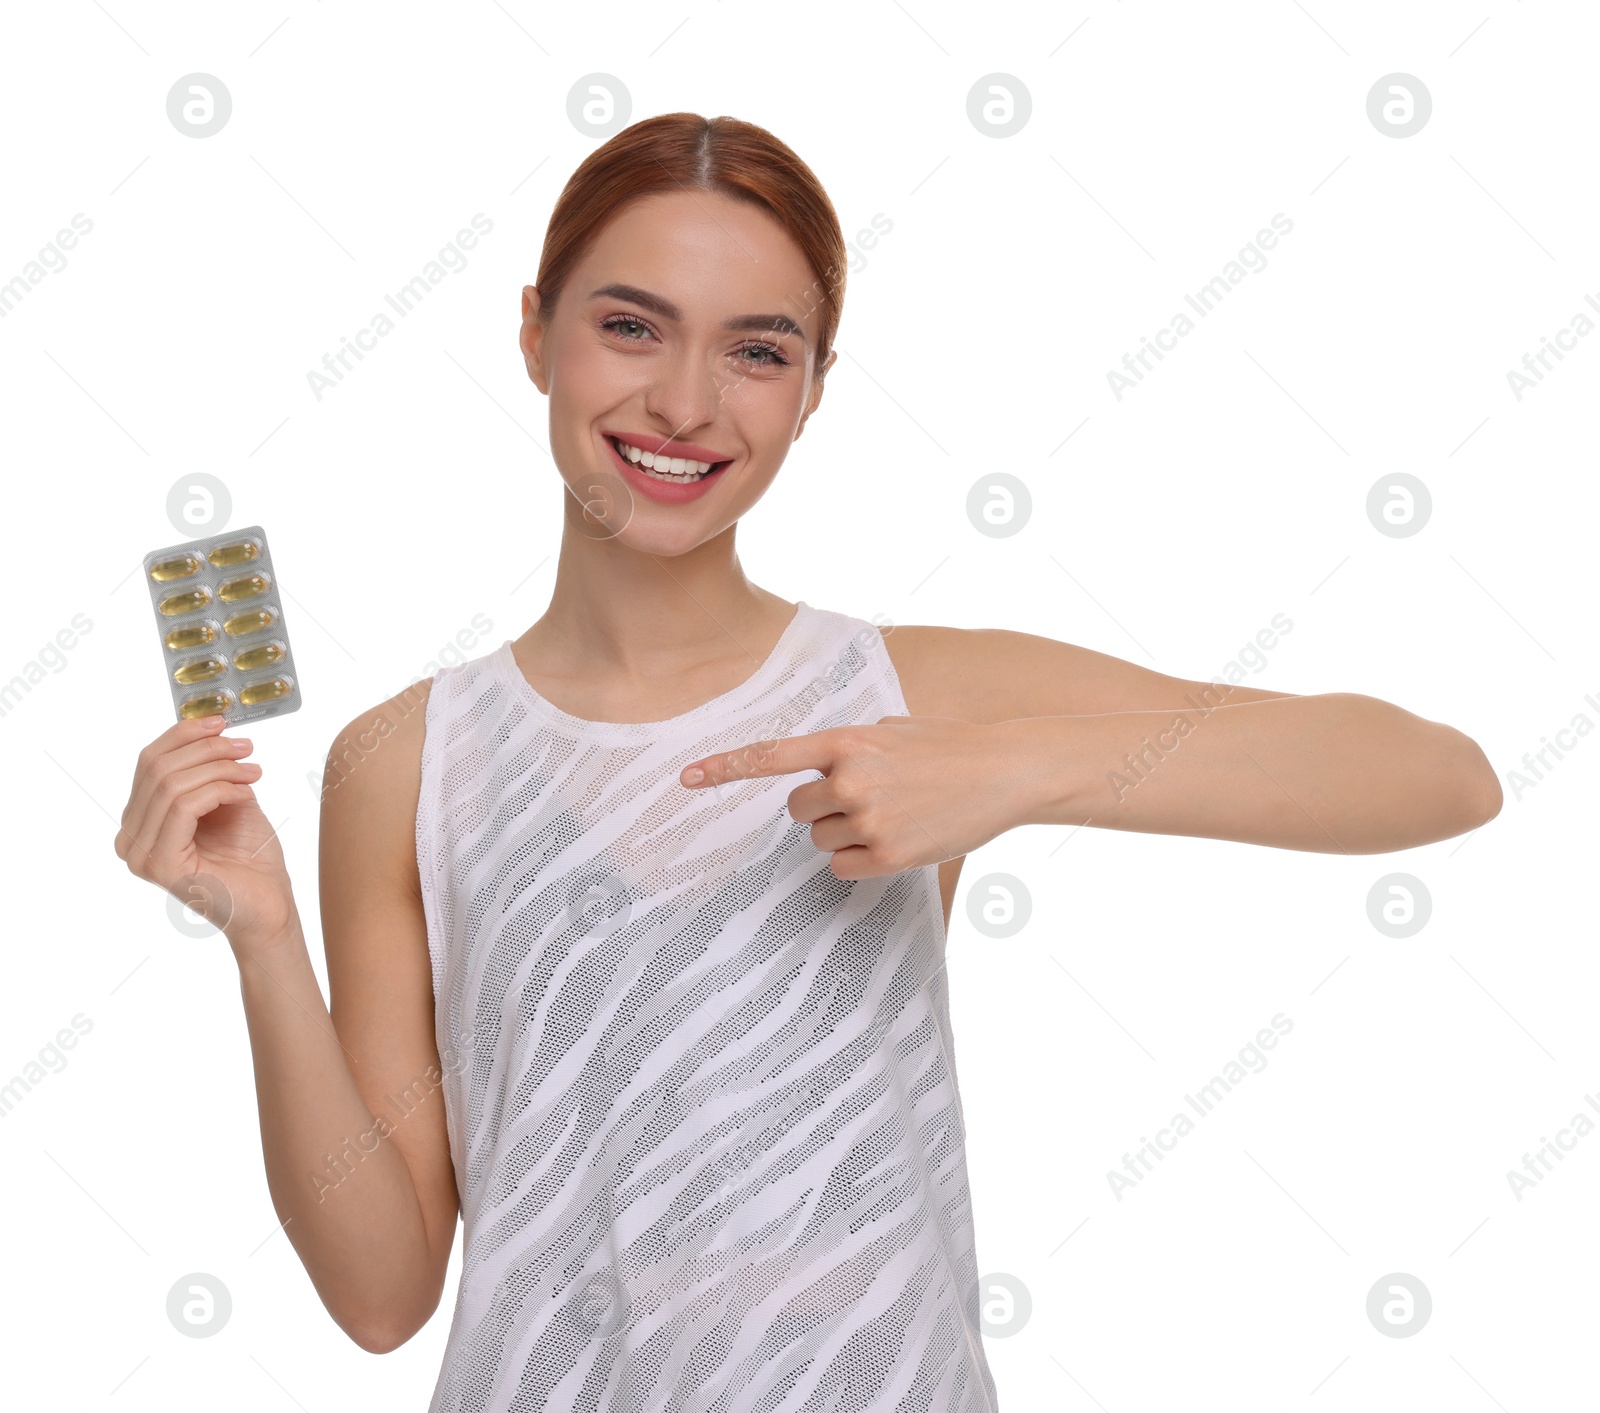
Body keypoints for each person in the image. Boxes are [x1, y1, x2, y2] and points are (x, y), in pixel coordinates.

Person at [114, 112, 1502, 1411]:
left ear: (816, 387)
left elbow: (1437, 773)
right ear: (535, 334)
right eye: (629, 326)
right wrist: (265, 935)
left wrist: (1016, 768)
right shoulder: (404, 759)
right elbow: (380, 1291)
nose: (684, 402)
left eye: (758, 351)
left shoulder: (912, 693)